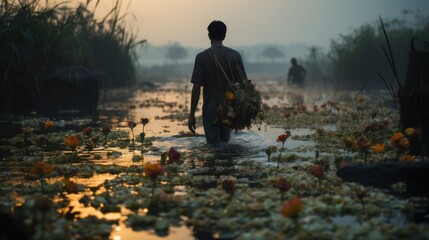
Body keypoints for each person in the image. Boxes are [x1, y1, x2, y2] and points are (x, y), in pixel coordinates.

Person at [188, 20, 247, 146]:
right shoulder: (235, 56)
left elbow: (197, 88)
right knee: (226, 145)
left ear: (209, 35)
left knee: (213, 147)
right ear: (225, 36)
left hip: (210, 110)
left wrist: (192, 115)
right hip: (229, 110)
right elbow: (244, 86)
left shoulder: (202, 57)